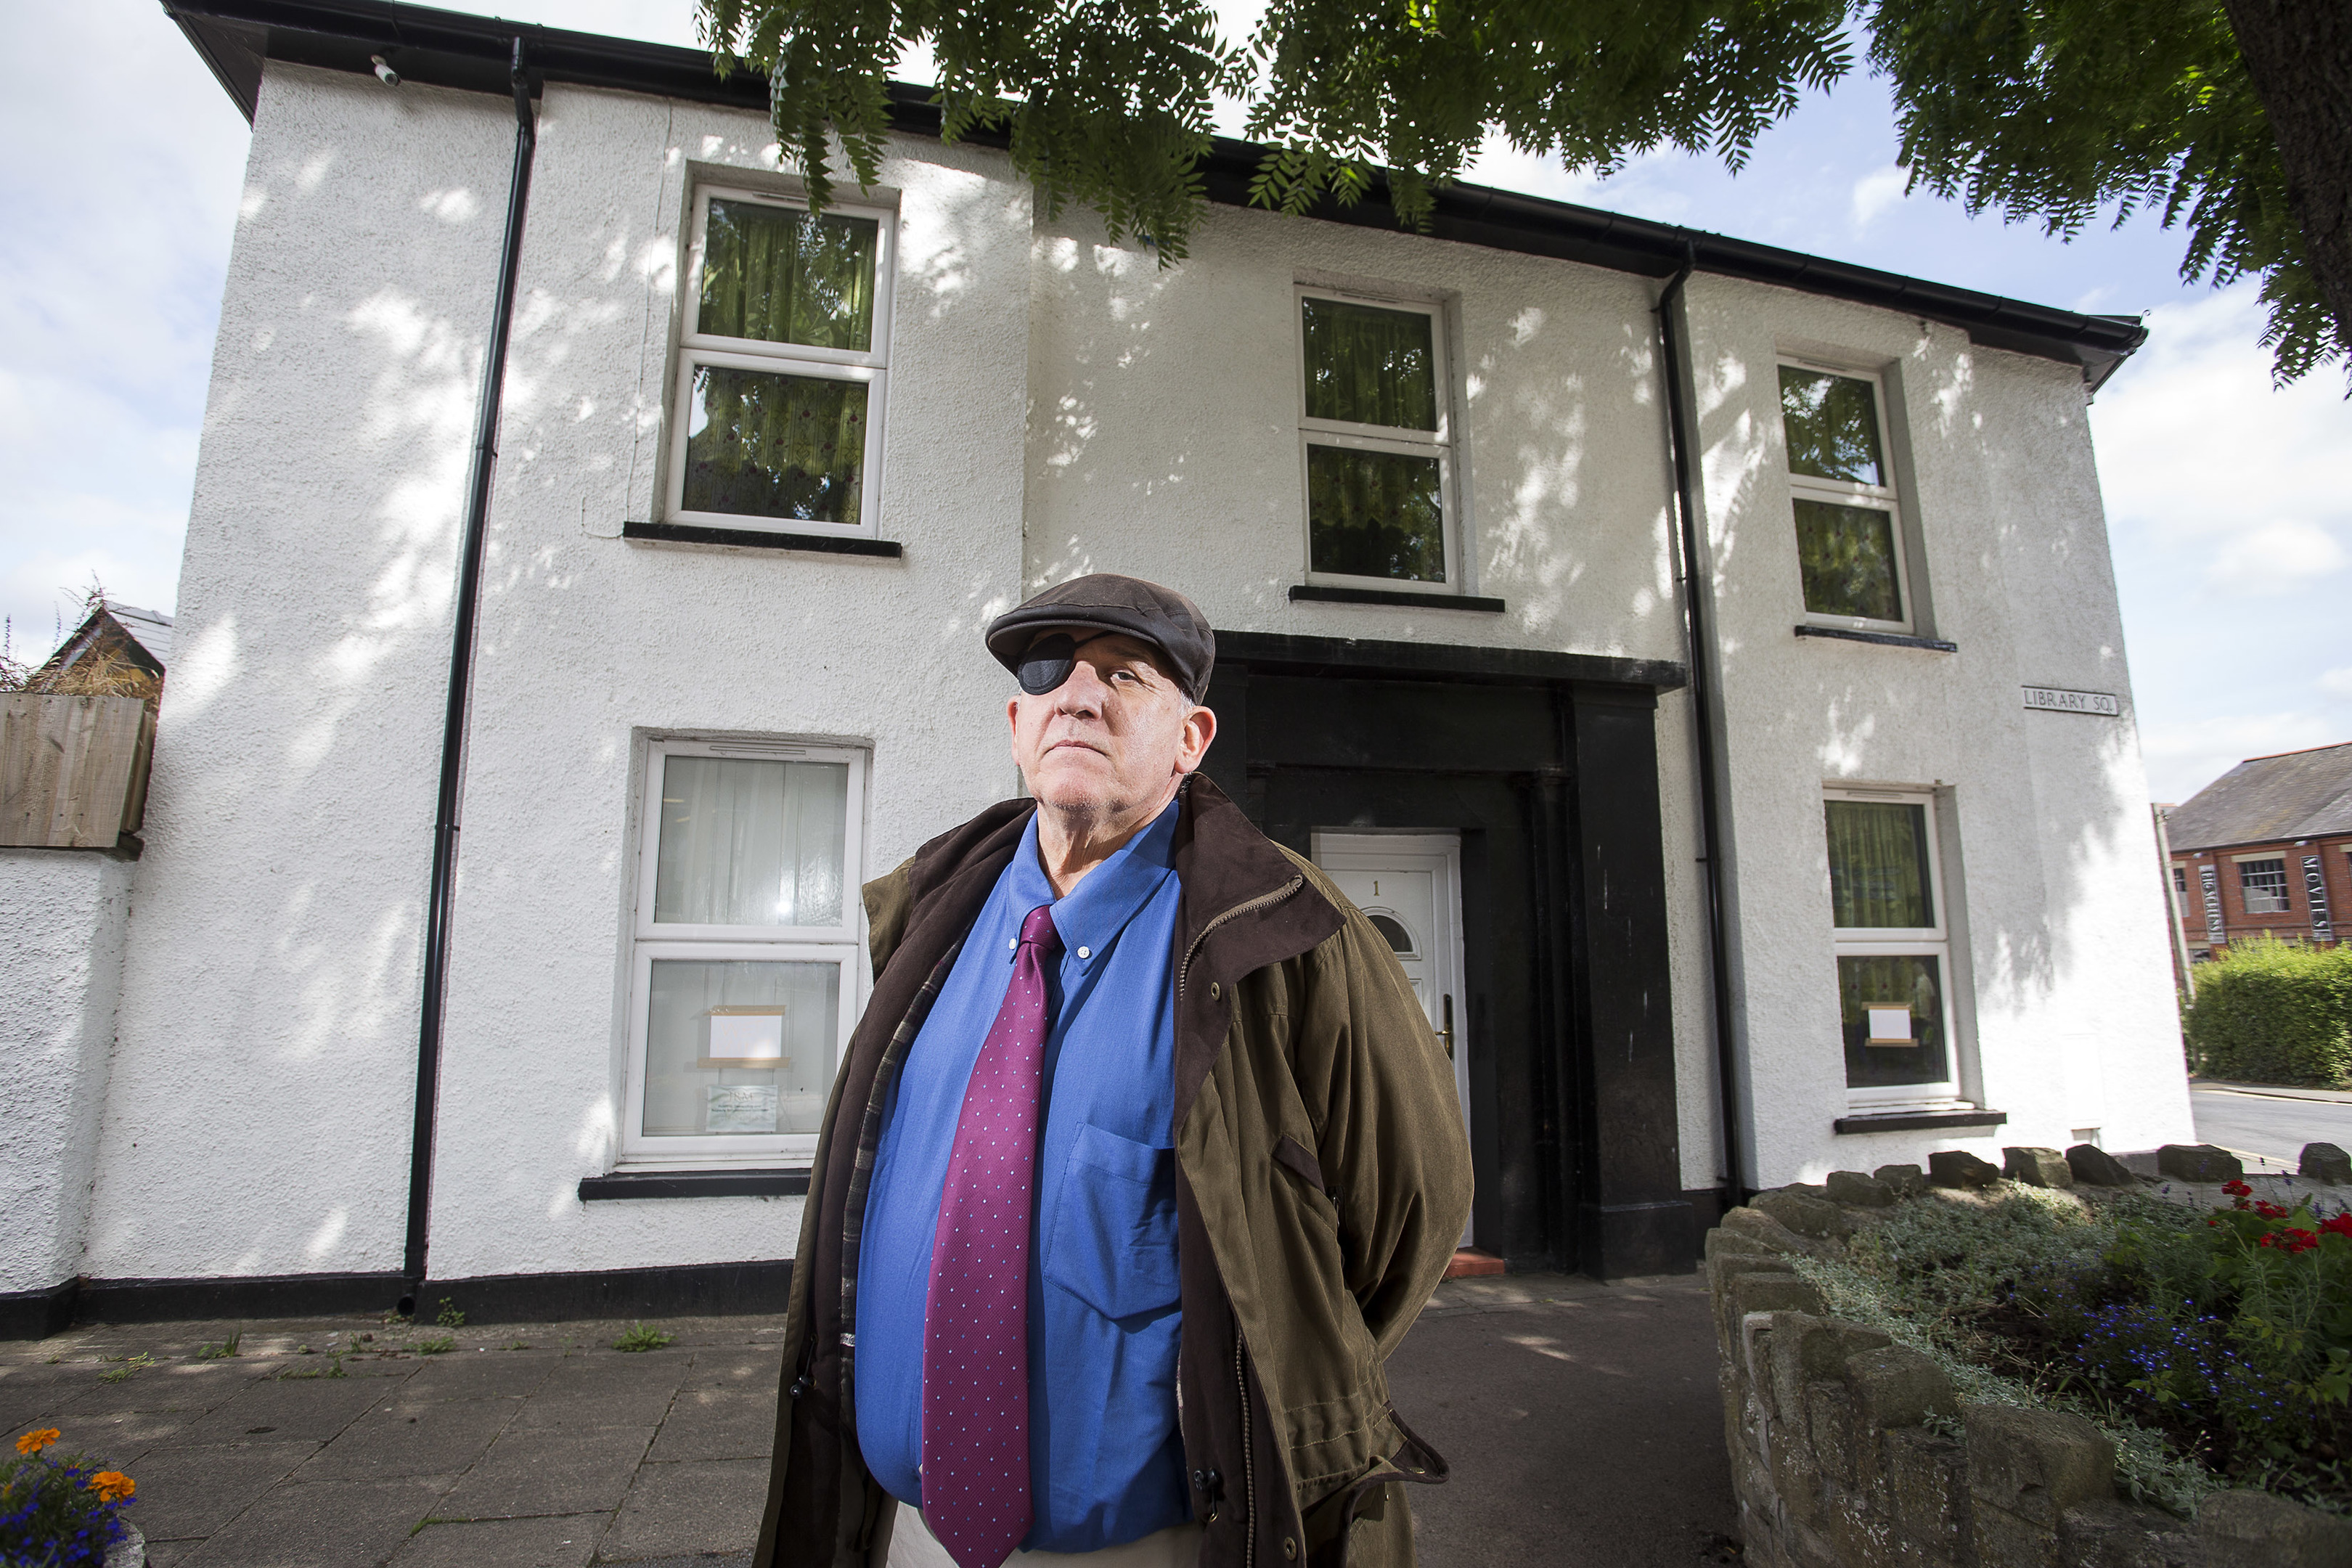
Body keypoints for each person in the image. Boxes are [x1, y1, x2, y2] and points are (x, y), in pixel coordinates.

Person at [754, 573, 1474, 1568]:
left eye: (1125, 674)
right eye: (1051, 672)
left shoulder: (1291, 932)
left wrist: (1287, 1388)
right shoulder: (934, 915)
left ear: (1192, 739)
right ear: (1019, 725)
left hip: (1158, 1547)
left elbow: (1410, 1209)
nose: (1080, 696)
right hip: (907, 1535)